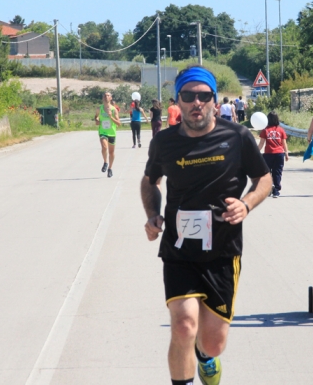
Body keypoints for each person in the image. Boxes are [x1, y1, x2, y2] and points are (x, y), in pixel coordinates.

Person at [141, 65, 272, 385]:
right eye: (189, 95)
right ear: (178, 100)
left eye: (204, 96)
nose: (196, 102)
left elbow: (264, 178)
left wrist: (247, 204)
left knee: (213, 342)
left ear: (214, 100)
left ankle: (203, 356)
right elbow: (150, 181)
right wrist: (152, 214)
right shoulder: (165, 142)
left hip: (223, 250)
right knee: (184, 325)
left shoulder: (237, 137)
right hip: (179, 248)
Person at [257, 111, 288, 198]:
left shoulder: (265, 130)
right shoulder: (281, 130)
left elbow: (261, 143)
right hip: (279, 154)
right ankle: (276, 191)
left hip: (268, 154)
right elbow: (284, 143)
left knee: (267, 172)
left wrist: (255, 152)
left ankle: (268, 188)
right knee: (277, 172)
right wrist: (286, 153)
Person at [95, 92, 121, 178]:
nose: (106, 97)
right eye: (105, 95)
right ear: (103, 98)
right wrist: (97, 120)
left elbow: (118, 123)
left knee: (111, 152)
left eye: (108, 95)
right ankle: (105, 162)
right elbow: (96, 117)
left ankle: (110, 168)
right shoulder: (99, 109)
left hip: (112, 132)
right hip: (103, 131)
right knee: (104, 147)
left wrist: (111, 117)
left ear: (111, 98)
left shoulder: (114, 110)